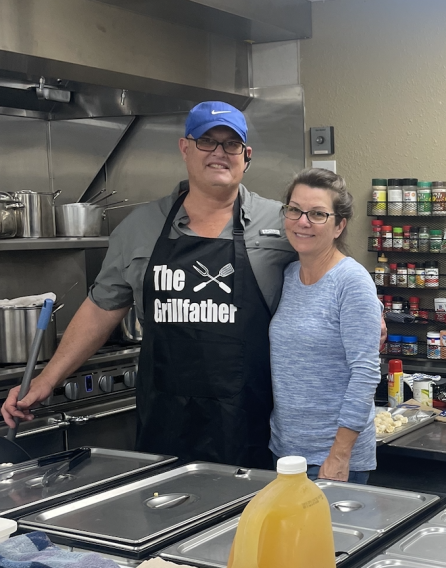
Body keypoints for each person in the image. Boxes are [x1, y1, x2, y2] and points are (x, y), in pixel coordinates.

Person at [1, 102, 297, 469]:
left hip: (253, 421)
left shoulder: (282, 224)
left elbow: (329, 268)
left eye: (230, 144)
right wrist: (46, 380)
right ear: (184, 147)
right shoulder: (139, 227)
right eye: (207, 141)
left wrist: (365, 313)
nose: (219, 153)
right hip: (167, 420)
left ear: (246, 155)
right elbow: (101, 309)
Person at [269, 168, 382, 483]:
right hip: (285, 453)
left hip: (331, 461)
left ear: (339, 225)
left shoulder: (352, 281)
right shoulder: (288, 275)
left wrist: (339, 455)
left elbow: (366, 372)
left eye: (318, 214)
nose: (303, 222)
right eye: (295, 210)